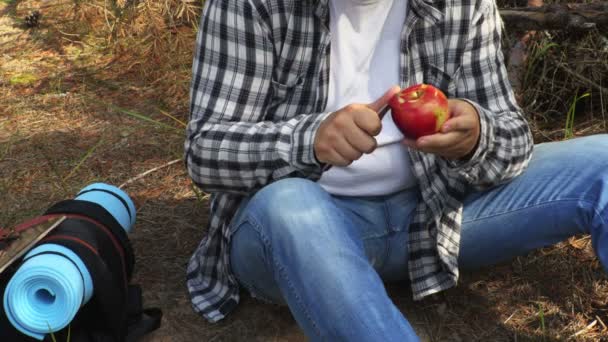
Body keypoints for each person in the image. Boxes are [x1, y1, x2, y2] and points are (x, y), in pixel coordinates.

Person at [183, 0, 608, 340]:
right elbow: (204, 150)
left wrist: (478, 135)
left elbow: (513, 136)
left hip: (434, 218)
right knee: (289, 203)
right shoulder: (252, 6)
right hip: (301, 235)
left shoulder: (461, 5)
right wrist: (309, 141)